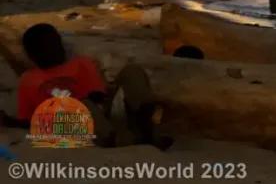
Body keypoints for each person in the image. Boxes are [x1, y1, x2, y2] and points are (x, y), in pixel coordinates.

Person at [2, 23, 168, 149]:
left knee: (133, 72)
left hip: (96, 109)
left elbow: (97, 94)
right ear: (33, 55)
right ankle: (128, 139)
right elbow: (29, 120)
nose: (55, 50)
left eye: (56, 43)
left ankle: (145, 124)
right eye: (47, 47)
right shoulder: (28, 80)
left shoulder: (81, 63)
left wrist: (99, 97)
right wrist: (9, 121)